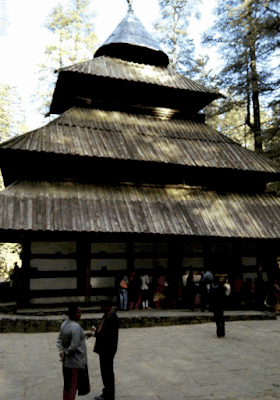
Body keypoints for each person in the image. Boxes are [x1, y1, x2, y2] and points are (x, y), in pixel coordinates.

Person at [57, 304, 93, 400]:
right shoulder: (76, 327)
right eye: (79, 312)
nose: (80, 314)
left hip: (67, 363)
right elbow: (74, 345)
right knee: (72, 387)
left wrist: (61, 351)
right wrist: (66, 352)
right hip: (76, 363)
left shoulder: (64, 324)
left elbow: (59, 340)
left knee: (67, 387)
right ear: (74, 314)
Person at [93, 300, 119, 400]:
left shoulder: (112, 318)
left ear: (108, 306)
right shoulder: (107, 316)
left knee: (107, 372)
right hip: (104, 348)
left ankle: (109, 394)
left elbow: (106, 334)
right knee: (105, 372)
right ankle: (107, 392)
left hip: (107, 349)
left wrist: (94, 334)